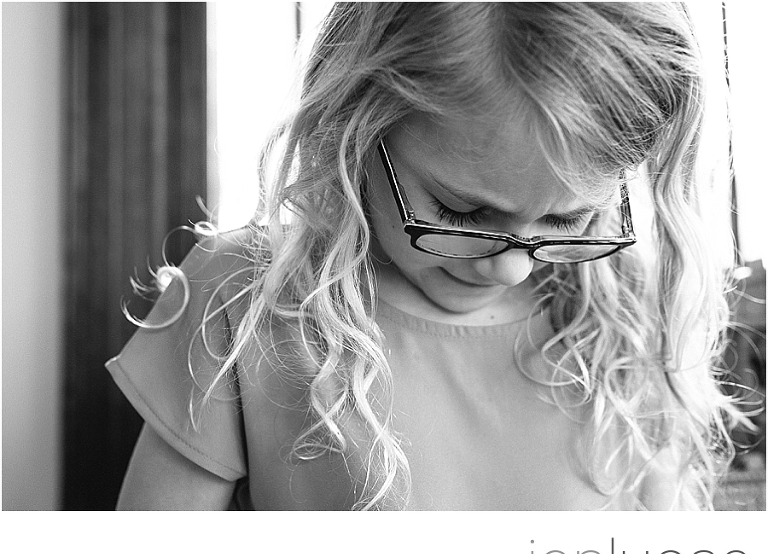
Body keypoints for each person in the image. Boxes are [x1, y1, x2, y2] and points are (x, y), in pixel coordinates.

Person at [109, 2, 746, 510]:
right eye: (463, 213)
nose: (511, 265)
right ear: (357, 124)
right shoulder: (244, 299)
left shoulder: (633, 322)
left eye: (567, 218)